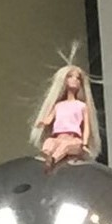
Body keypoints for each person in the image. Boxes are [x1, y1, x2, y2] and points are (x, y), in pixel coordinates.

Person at [29, 43, 101, 172]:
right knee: (49, 143)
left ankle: (53, 160)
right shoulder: (59, 105)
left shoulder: (81, 106)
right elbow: (49, 119)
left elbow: (87, 127)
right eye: (70, 76)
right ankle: (47, 158)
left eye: (78, 78)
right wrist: (42, 122)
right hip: (58, 137)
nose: (75, 80)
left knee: (66, 147)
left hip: (73, 139)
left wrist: (84, 143)